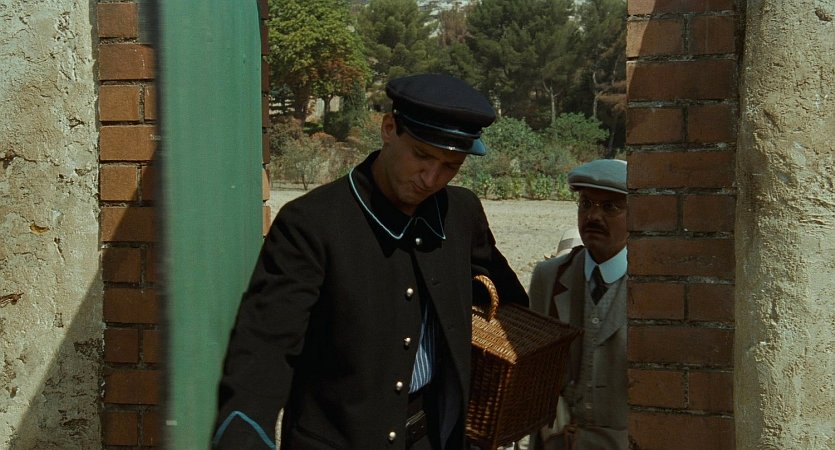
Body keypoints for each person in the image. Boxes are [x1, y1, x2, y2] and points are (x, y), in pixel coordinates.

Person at [212, 73, 528, 450]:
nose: (431, 178)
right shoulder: (311, 223)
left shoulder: (461, 214)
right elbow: (265, 350)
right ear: (389, 128)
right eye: (422, 156)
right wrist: (244, 435)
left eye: (451, 165)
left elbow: (511, 304)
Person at [527, 159, 628, 450]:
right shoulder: (550, 276)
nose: (593, 216)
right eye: (586, 204)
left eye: (610, 207)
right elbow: (534, 369)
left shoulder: (652, 286)